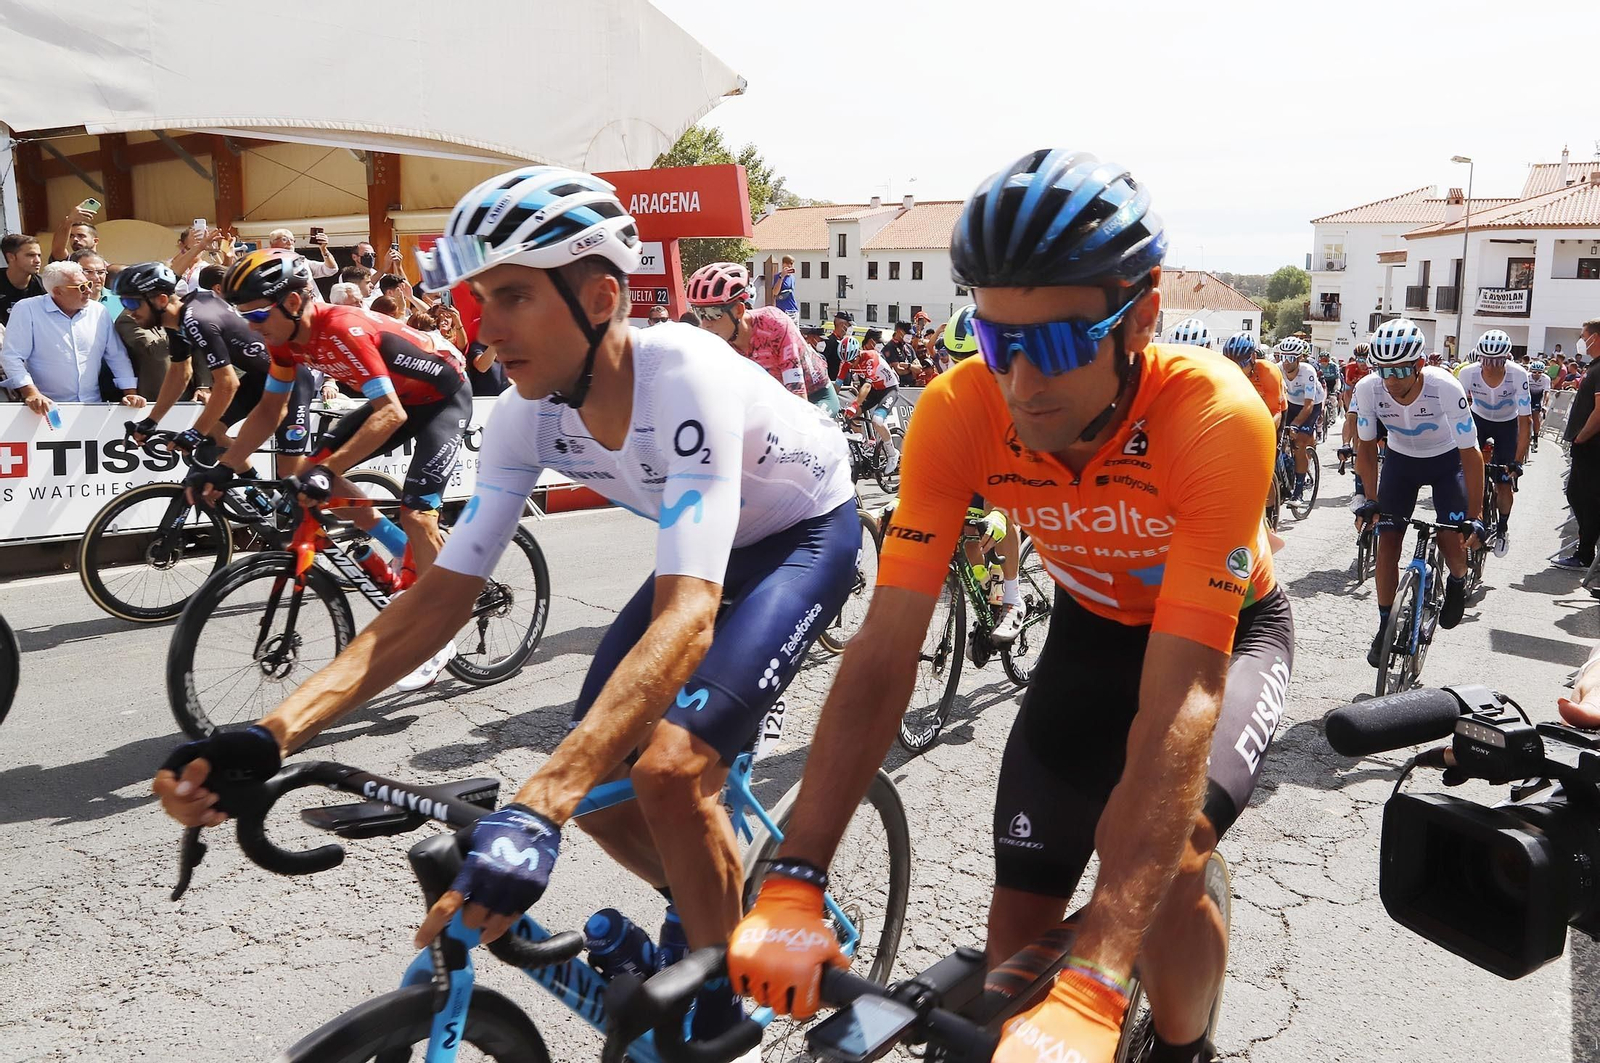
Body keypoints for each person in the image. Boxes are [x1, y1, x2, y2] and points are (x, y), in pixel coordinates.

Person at [152, 165, 857, 1060]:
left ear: (600, 295)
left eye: (515, 295)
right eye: (481, 298)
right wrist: (272, 730)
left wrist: (537, 805)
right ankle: (712, 895)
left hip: (803, 533)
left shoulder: (687, 375)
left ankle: (726, 1006)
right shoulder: (528, 413)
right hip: (713, 550)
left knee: (669, 770)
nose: (485, 326)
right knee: (600, 785)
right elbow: (441, 595)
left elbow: (690, 615)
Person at [727, 148, 1293, 1063]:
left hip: (1224, 637)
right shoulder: (958, 411)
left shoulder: (1215, 417)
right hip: (1088, 631)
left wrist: (1103, 974)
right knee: (1013, 944)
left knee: (1163, 856)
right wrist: (795, 872)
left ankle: (1188, 1053)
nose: (1024, 385)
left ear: (1142, 315)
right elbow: (884, 649)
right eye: (998, 341)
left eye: (1062, 343)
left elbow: (1185, 695)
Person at [188, 249, 471, 687]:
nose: (252, 326)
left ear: (294, 302)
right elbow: (269, 409)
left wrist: (326, 468)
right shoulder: (282, 340)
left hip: (442, 397)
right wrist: (225, 466)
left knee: (417, 511)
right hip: (399, 400)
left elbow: (390, 414)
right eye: (245, 316)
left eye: (258, 314)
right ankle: (402, 546)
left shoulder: (342, 327)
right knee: (312, 473)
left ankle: (435, 629)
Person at [1351, 318, 1483, 667]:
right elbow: (1365, 449)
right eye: (1384, 371)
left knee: (1449, 539)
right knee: (1387, 542)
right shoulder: (1368, 389)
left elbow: (1472, 454)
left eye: (1401, 371)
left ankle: (1456, 579)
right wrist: (1369, 498)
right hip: (1400, 464)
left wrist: (1476, 514)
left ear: (1420, 365)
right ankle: (1384, 624)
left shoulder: (1444, 387)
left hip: (1445, 463)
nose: (1391, 380)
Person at [124, 262, 316, 476]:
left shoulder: (196, 320)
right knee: (215, 432)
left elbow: (227, 383)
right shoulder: (180, 318)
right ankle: (260, 493)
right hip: (261, 378)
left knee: (290, 473)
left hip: (293, 380)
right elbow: (180, 372)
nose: (128, 311)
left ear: (161, 300)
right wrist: (151, 421)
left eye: (131, 303)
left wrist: (195, 433)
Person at [685, 262, 838, 416]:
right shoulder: (717, 341)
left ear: (739, 310)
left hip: (816, 394)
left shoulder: (773, 324)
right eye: (699, 313)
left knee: (807, 428)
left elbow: (798, 397)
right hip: (773, 400)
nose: (705, 323)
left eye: (713, 313)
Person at [0, 260, 145, 412]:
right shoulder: (27, 309)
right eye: (81, 287)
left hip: (92, 406)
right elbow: (12, 356)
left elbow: (117, 356)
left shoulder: (99, 311)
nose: (88, 291)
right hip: (44, 409)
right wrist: (31, 393)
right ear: (57, 291)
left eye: (88, 284)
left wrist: (130, 393)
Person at [1457, 329, 1530, 558]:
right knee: (1464, 473)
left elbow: (1525, 421)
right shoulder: (1468, 373)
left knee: (1504, 483)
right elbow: (1454, 414)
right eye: (1485, 360)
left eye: (1496, 361)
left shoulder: (1518, 375)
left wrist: (1517, 462)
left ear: (1506, 358)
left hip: (1507, 425)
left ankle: (1502, 528)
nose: (1490, 366)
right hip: (1478, 419)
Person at [1556, 321, 1600, 570]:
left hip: (1592, 446)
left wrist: (1582, 437)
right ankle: (1585, 551)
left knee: (1587, 498)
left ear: (1595, 337)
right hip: (1586, 445)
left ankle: (1584, 554)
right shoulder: (1594, 367)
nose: (1582, 341)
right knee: (1577, 494)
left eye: (1584, 336)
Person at [839, 329, 900, 473]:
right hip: (874, 390)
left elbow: (866, 385)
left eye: (853, 360)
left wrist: (855, 404)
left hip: (888, 389)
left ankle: (892, 453)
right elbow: (837, 385)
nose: (851, 365)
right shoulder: (848, 362)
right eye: (848, 362)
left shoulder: (871, 357)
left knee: (877, 420)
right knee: (851, 415)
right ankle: (865, 446)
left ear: (858, 353)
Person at [1275, 337, 1324, 501]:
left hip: (1311, 405)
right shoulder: (1278, 369)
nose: (1286, 363)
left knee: (1299, 443)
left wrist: (1295, 424)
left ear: (1299, 358)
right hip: (1291, 403)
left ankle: (1298, 491)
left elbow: (1308, 406)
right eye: (1283, 357)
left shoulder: (1308, 372)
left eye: (1290, 358)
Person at [1223, 331, 1284, 427]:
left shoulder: (1268, 372)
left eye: (1241, 364)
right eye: (1232, 364)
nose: (1237, 369)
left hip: (1273, 410)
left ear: (1253, 357)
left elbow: (1275, 413)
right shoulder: (1228, 372)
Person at [0, 233, 45, 326]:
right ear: (11, 257)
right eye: (30, 255)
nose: (38, 261)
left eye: (39, 255)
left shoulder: (45, 286)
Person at [268, 227, 338, 281]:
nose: (290, 243)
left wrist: (323, 249)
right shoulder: (267, 264)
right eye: (284, 239)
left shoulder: (302, 261)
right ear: (272, 244)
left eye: (292, 240)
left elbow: (331, 269)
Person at [821, 310, 857, 381]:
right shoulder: (828, 342)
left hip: (845, 384)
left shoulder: (846, 343)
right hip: (833, 383)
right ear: (842, 325)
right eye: (849, 325)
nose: (851, 328)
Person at [773, 254, 799, 320]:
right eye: (787, 263)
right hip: (782, 310)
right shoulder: (777, 277)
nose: (789, 265)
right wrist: (782, 277)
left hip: (792, 310)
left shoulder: (792, 278)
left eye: (791, 263)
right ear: (783, 264)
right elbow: (775, 292)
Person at [1528, 356, 1549, 438]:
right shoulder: (1527, 376)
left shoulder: (1546, 378)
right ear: (1531, 371)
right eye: (1534, 372)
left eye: (1539, 372)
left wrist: (1544, 405)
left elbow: (1546, 393)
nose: (1537, 374)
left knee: (1535, 416)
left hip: (1537, 397)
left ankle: (1536, 435)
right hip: (1528, 396)